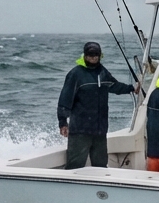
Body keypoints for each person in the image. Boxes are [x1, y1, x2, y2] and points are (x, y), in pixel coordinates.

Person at [58, 41, 139, 170]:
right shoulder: (75, 74)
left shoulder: (103, 72)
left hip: (100, 130)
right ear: (84, 55)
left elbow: (114, 86)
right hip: (80, 131)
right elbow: (65, 100)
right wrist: (63, 122)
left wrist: (132, 88)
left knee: (101, 166)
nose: (93, 57)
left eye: (96, 54)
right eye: (90, 54)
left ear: (100, 55)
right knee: (75, 166)